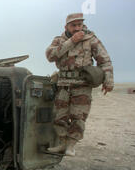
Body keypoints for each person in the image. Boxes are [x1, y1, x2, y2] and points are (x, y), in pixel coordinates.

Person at [45, 13, 113, 156]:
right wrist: (70, 42)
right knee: (58, 116)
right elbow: (50, 56)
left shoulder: (91, 39)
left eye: (79, 25)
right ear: (66, 27)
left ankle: (71, 145)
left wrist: (108, 81)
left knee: (79, 117)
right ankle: (62, 144)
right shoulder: (59, 40)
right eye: (73, 25)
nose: (77, 28)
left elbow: (104, 60)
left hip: (82, 84)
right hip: (63, 84)